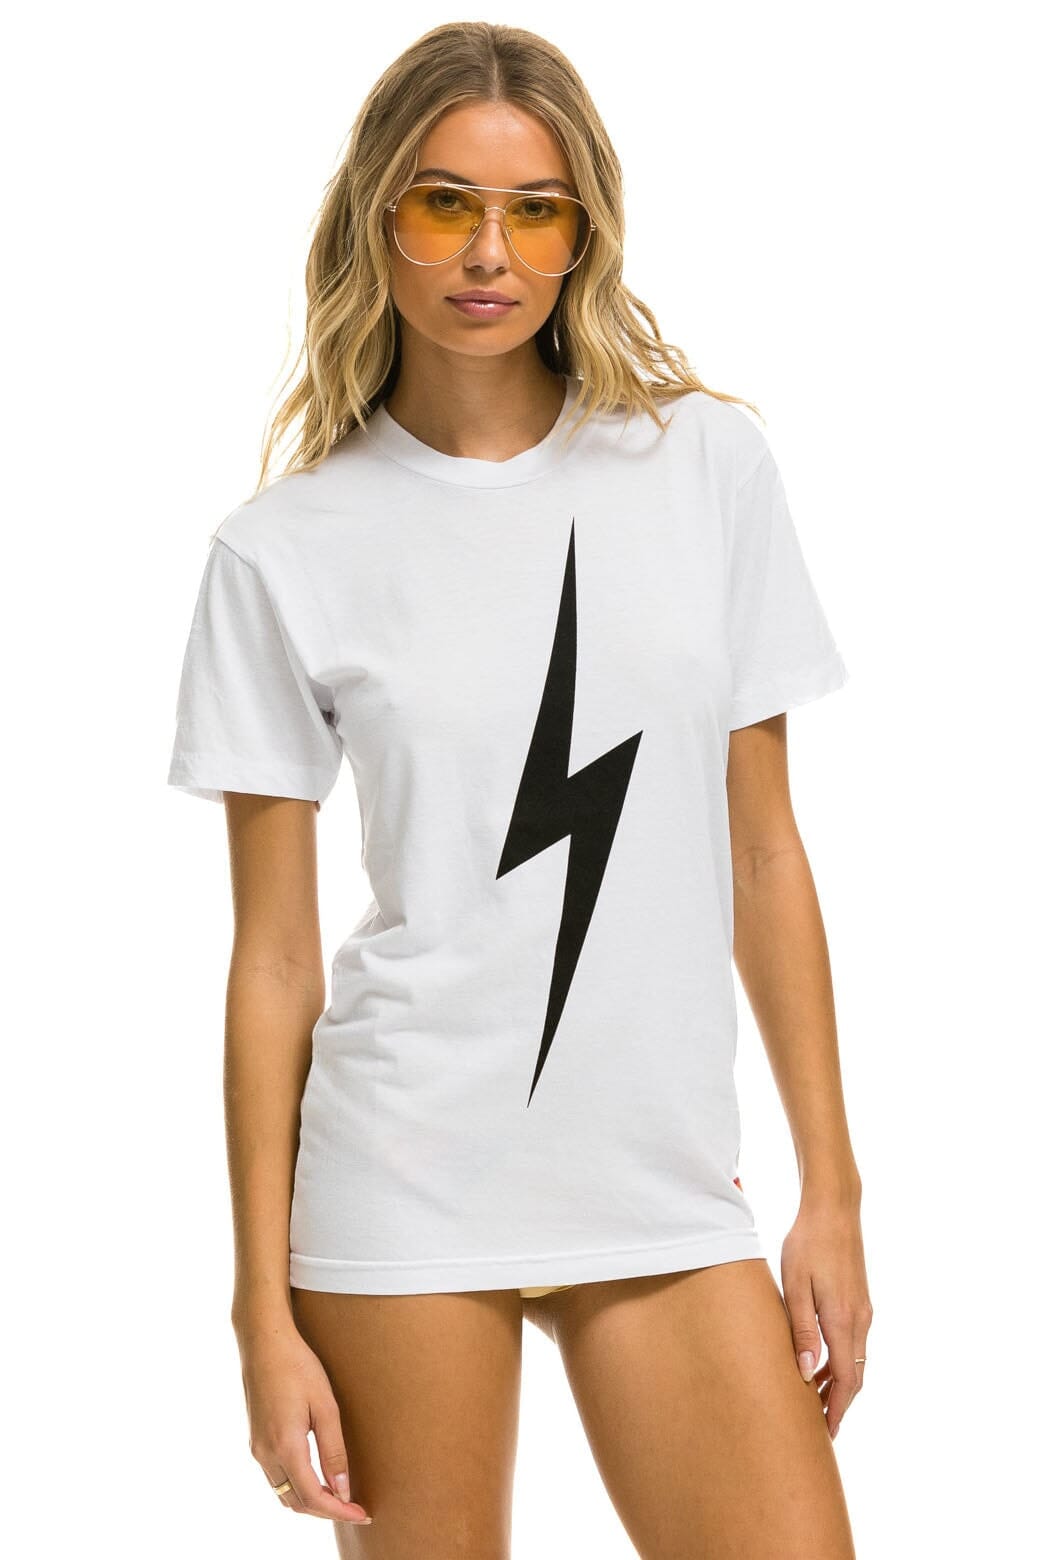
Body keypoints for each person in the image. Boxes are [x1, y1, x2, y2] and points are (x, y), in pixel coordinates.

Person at [166, 20, 869, 1559]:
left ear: (582, 233)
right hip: (403, 1181)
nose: (490, 253)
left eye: (535, 211)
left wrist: (833, 1190)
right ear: (378, 220)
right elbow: (273, 958)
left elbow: (766, 854)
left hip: (662, 1183)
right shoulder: (282, 551)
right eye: (445, 205)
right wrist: (258, 1308)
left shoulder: (706, 468)